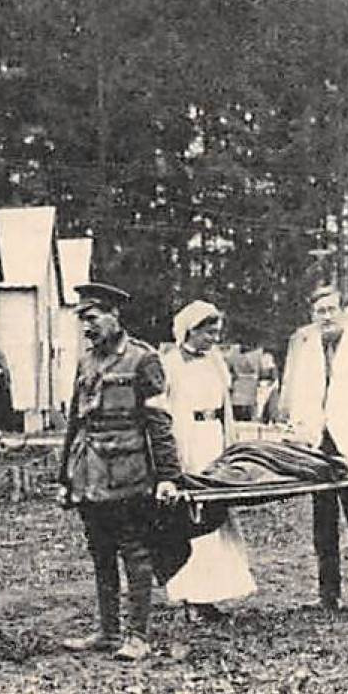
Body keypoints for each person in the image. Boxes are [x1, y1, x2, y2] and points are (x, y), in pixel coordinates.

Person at [58, 282, 182, 661]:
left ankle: (138, 636)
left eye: (93, 319)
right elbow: (74, 424)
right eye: (83, 321)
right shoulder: (86, 362)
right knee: (101, 553)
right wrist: (65, 478)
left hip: (129, 472)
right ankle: (108, 632)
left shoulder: (143, 360)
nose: (87, 328)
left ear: (115, 316)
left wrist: (168, 476)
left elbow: (159, 422)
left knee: (136, 552)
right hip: (89, 473)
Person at [277, 284, 348, 612]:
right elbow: (298, 395)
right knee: (323, 525)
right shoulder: (306, 348)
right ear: (312, 316)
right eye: (320, 312)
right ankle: (329, 594)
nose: (326, 317)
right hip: (318, 445)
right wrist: (297, 435)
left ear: (343, 312)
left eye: (331, 310)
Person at [161, 300, 256, 620]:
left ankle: (213, 593)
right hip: (188, 441)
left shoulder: (215, 361)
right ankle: (193, 598)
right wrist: (177, 460)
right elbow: (166, 412)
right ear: (190, 330)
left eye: (217, 332)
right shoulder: (171, 363)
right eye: (208, 332)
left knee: (218, 516)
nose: (213, 339)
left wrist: (232, 445)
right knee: (194, 518)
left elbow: (226, 406)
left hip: (214, 438)